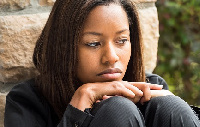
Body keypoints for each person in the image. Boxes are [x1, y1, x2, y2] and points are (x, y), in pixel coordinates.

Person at [4, 0, 200, 127]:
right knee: (118, 109)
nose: (111, 57)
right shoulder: (27, 101)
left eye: (122, 40)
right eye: (93, 43)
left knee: (170, 106)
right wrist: (80, 103)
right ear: (63, 47)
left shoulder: (151, 88)